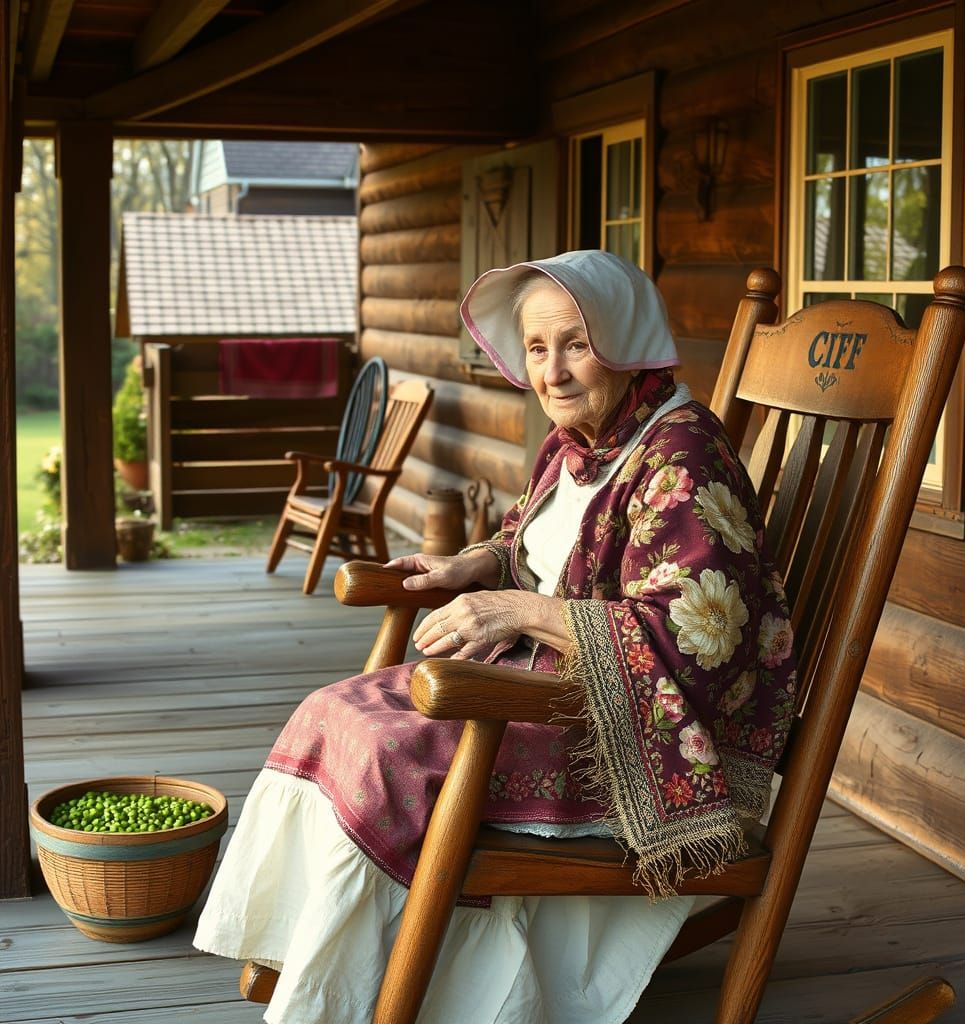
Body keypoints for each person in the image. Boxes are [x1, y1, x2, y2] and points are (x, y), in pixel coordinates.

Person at [194, 250, 797, 1024]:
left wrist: (517, 611)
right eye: (537, 348)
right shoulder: (580, 442)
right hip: (552, 683)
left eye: (577, 343)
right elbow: (530, 536)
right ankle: (329, 969)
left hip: (645, 735)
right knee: (332, 714)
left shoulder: (682, 456)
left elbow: (699, 640)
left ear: (630, 341)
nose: (553, 372)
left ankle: (379, 989)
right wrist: (476, 564)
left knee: (390, 755)